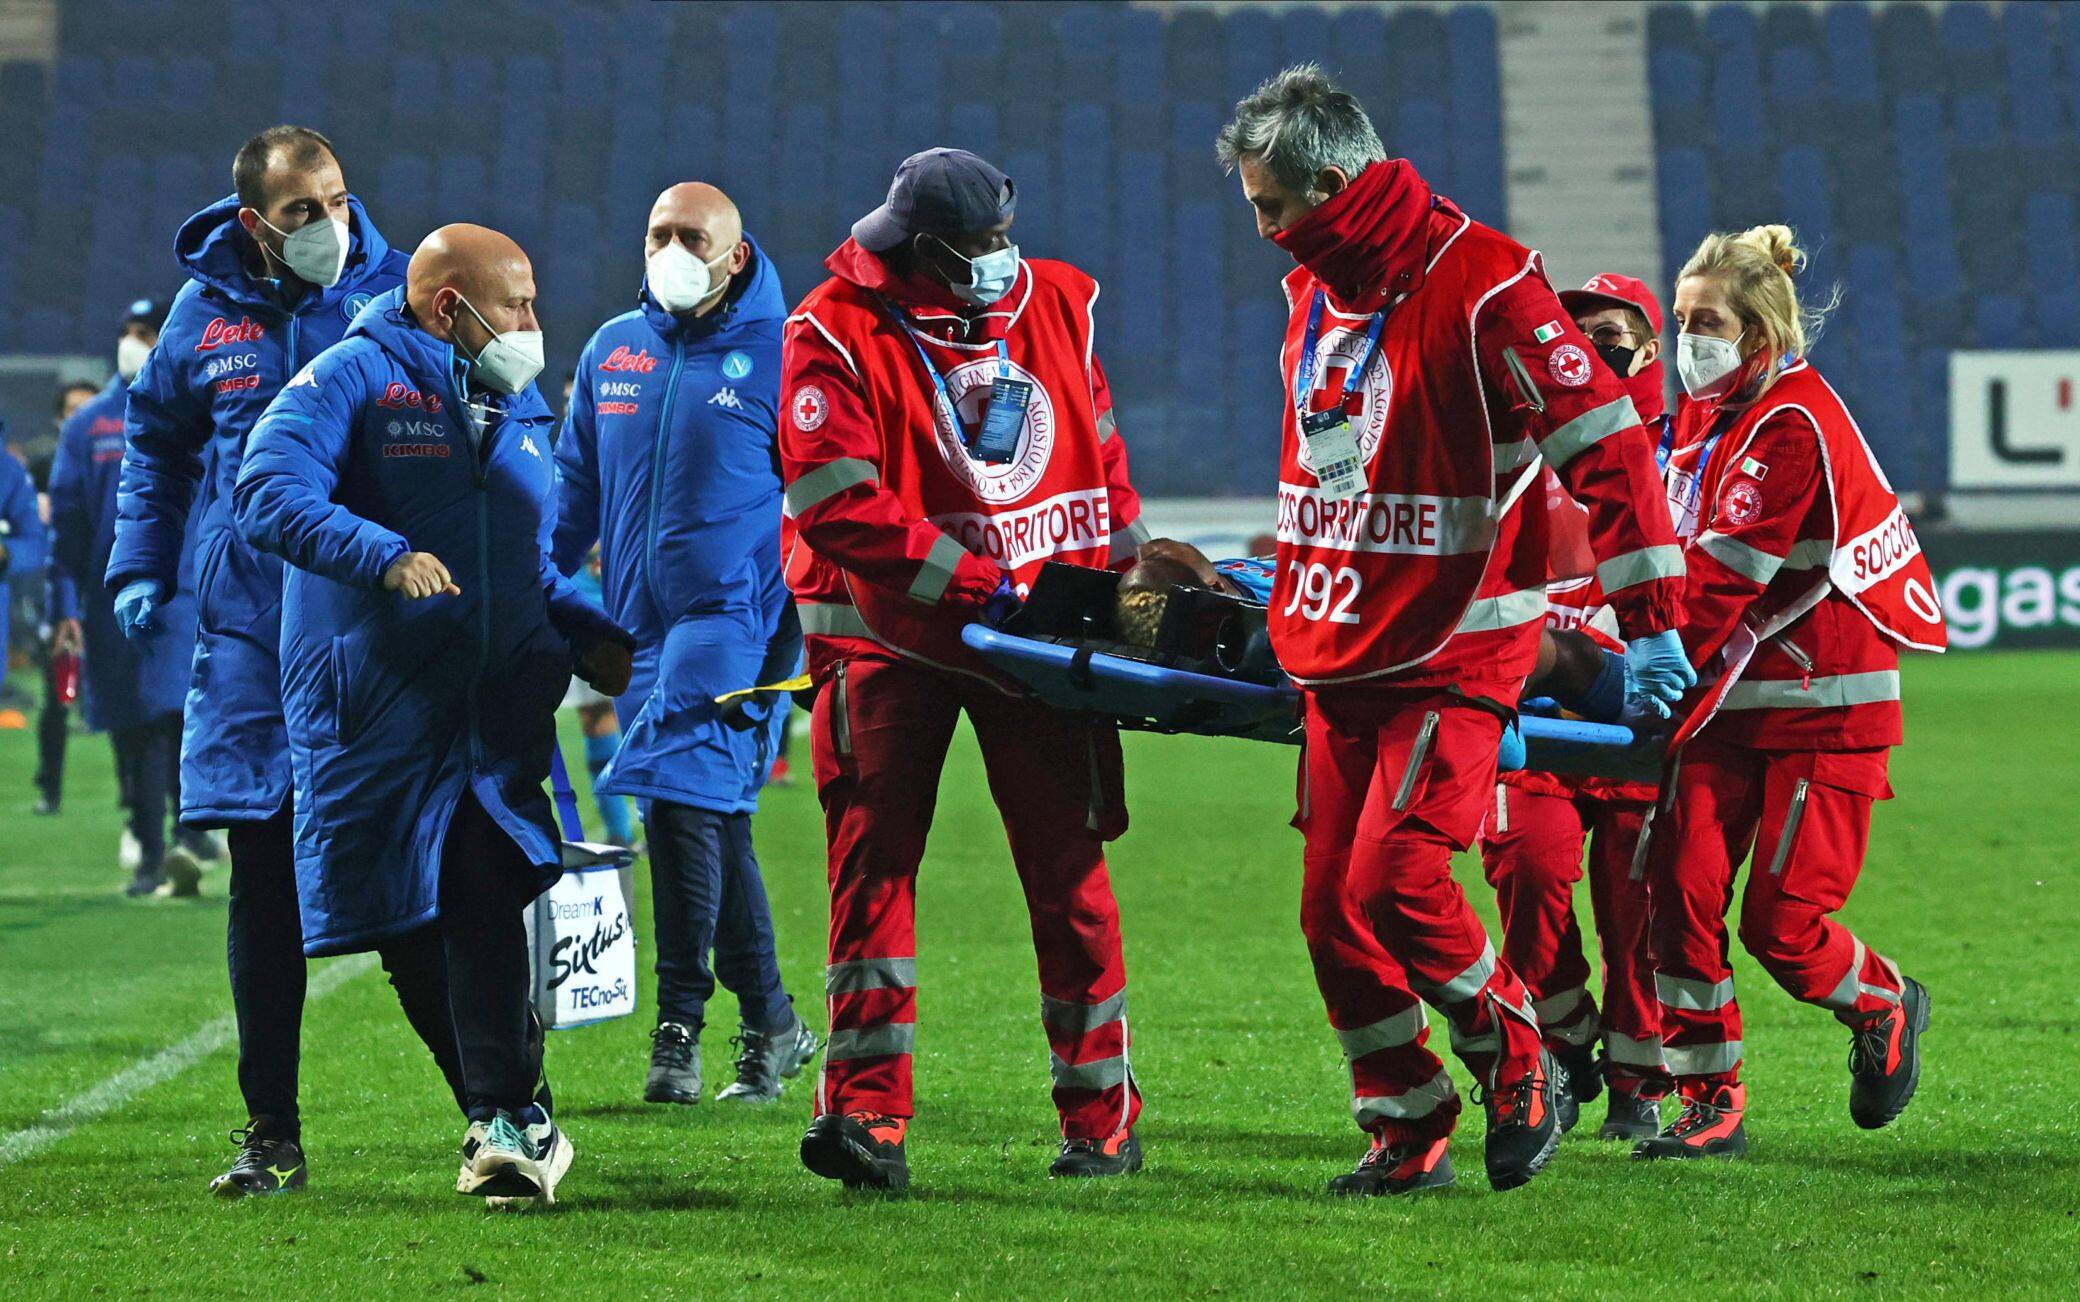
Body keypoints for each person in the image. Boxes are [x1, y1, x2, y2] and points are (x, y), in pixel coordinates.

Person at [1216, 65, 1690, 1196]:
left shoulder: (1487, 286)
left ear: (1332, 186)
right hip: (1338, 650)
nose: (1268, 234)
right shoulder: (1313, 293)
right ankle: (1407, 1122)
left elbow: (1611, 450)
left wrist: (1651, 625)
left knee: (1397, 879)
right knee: (1332, 914)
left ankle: (1517, 1057)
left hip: (1454, 650)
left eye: (1273, 207)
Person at [105, 126, 476, 1196]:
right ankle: (271, 1132)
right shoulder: (202, 315)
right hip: (248, 650)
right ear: (254, 223)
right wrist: (145, 564)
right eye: (303, 211)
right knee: (260, 886)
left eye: (338, 201)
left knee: (403, 892)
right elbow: (161, 446)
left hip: (367, 638)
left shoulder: (396, 301)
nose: (329, 224)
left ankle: (495, 1106)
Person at [236, 223, 633, 1204]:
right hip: (383, 711)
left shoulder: (518, 401)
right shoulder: (350, 378)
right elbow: (264, 488)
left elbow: (522, 560)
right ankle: (506, 1111)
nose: (534, 323)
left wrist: (587, 626)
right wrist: (381, 552)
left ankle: (506, 1117)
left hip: (489, 716)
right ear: (449, 306)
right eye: (516, 304)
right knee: (410, 929)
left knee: (475, 890)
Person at [781, 147, 1150, 1190]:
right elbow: (836, 501)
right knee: (872, 876)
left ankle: (1100, 1118)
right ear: (925, 249)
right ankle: (865, 1119)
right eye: (977, 248)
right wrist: (974, 583)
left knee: (1068, 875)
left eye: (1002, 238)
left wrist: (1115, 576)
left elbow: (1101, 444)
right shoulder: (832, 329)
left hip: (1034, 635)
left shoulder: (1062, 303)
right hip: (890, 634)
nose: (999, 260)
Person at [1634, 225, 1944, 1160]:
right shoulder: (1713, 412)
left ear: (1759, 335)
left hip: (1825, 706)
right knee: (1675, 895)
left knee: (1781, 925)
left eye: (1705, 322)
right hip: (1730, 698)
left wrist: (1607, 656)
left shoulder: (1790, 422)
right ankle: (1707, 1099)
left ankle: (1884, 1000)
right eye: (1681, 318)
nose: (1687, 339)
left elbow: (1720, 580)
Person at [554, 181, 820, 1107]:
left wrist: (806, 636)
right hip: (636, 634)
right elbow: (573, 493)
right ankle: (775, 1025)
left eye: (691, 235)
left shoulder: (786, 354)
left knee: (673, 802)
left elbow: (823, 506)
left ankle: (678, 1029)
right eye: (657, 231)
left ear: (734, 255)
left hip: (733, 624)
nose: (670, 247)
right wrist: (545, 595)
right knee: (711, 819)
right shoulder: (610, 351)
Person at [1473, 273, 1677, 1142]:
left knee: (1638, 910)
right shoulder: (1518, 444)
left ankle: (1643, 1075)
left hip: (1643, 711)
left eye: (1610, 328)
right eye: (1576, 327)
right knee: (1526, 871)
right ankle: (1563, 1033)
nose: (1591, 342)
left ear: (1649, 345)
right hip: (1537, 715)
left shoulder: (1685, 448)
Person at [48, 297, 224, 896]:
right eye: (126, 331)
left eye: (145, 332)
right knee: (134, 725)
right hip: (110, 602)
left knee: (172, 718)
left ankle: (172, 842)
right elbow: (68, 527)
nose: (132, 341)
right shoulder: (89, 425)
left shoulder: (201, 414)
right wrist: (64, 608)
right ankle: (170, 839)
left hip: (184, 595)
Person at [32, 382, 103, 814]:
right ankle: (49, 787)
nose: (80, 417)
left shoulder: (122, 457)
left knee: (128, 703)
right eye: (72, 409)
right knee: (57, 695)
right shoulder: (43, 463)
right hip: (59, 596)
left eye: (88, 408)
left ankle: (136, 799)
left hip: (104, 591)